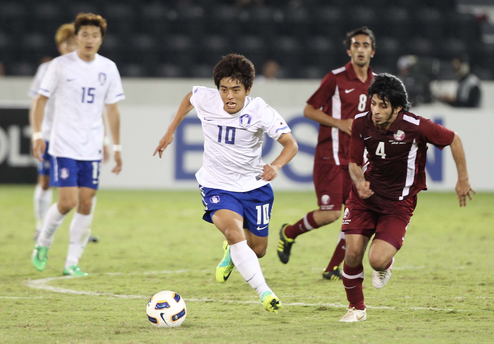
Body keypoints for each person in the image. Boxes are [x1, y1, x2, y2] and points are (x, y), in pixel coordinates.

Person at [153, 54, 298, 312]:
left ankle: (232, 251)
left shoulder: (260, 111)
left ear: (248, 89)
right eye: (223, 89)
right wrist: (170, 130)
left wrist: (275, 166)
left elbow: (291, 144)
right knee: (233, 232)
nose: (229, 96)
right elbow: (189, 98)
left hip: (254, 187)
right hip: (216, 184)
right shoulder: (208, 99)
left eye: (236, 90)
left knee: (259, 249)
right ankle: (265, 293)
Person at [339, 73, 475, 322]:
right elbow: (353, 163)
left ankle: (385, 266)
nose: (375, 111)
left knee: (377, 261)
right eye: (373, 103)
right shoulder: (361, 123)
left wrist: (463, 178)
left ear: (397, 107)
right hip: (364, 199)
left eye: (383, 105)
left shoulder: (416, 125)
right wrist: (359, 183)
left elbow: (454, 139)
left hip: (398, 204)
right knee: (352, 253)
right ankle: (356, 309)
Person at [276, 27, 376, 281]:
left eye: (365, 45)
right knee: (331, 213)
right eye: (356, 45)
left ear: (372, 51)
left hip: (356, 159)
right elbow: (309, 110)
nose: (361, 49)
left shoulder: (377, 84)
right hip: (330, 157)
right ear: (349, 50)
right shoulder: (336, 77)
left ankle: (333, 267)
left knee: (358, 214)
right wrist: (339, 122)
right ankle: (289, 232)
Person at [31, 13, 125, 276]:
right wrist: (38, 134)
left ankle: (72, 262)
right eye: (84, 35)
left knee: (86, 203)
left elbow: (112, 109)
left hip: (92, 146)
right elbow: (40, 100)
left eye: (95, 35)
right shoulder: (60, 65)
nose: (89, 39)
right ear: (76, 36)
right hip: (63, 144)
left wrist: (115, 146)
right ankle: (43, 242)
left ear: (101, 39)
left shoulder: (108, 68)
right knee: (67, 202)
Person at [28, 23, 104, 243]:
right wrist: (37, 133)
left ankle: (82, 231)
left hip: (82, 139)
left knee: (85, 188)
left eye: (74, 42)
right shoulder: (49, 69)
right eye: (67, 43)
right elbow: (36, 102)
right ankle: (40, 226)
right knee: (44, 182)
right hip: (53, 136)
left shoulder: (94, 68)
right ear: (60, 46)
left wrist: (105, 139)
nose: (71, 47)